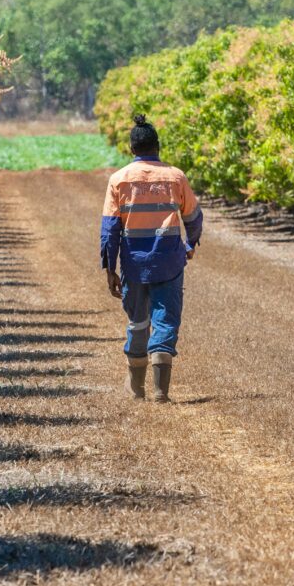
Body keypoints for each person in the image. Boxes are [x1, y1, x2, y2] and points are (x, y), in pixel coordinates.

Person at [100, 115, 203, 403]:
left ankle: (136, 389)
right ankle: (161, 391)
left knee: (138, 321)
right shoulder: (175, 177)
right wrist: (190, 243)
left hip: (134, 264)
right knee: (166, 320)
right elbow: (193, 217)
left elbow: (110, 229)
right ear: (157, 147)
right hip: (169, 262)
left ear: (131, 149)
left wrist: (110, 268)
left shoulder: (118, 180)